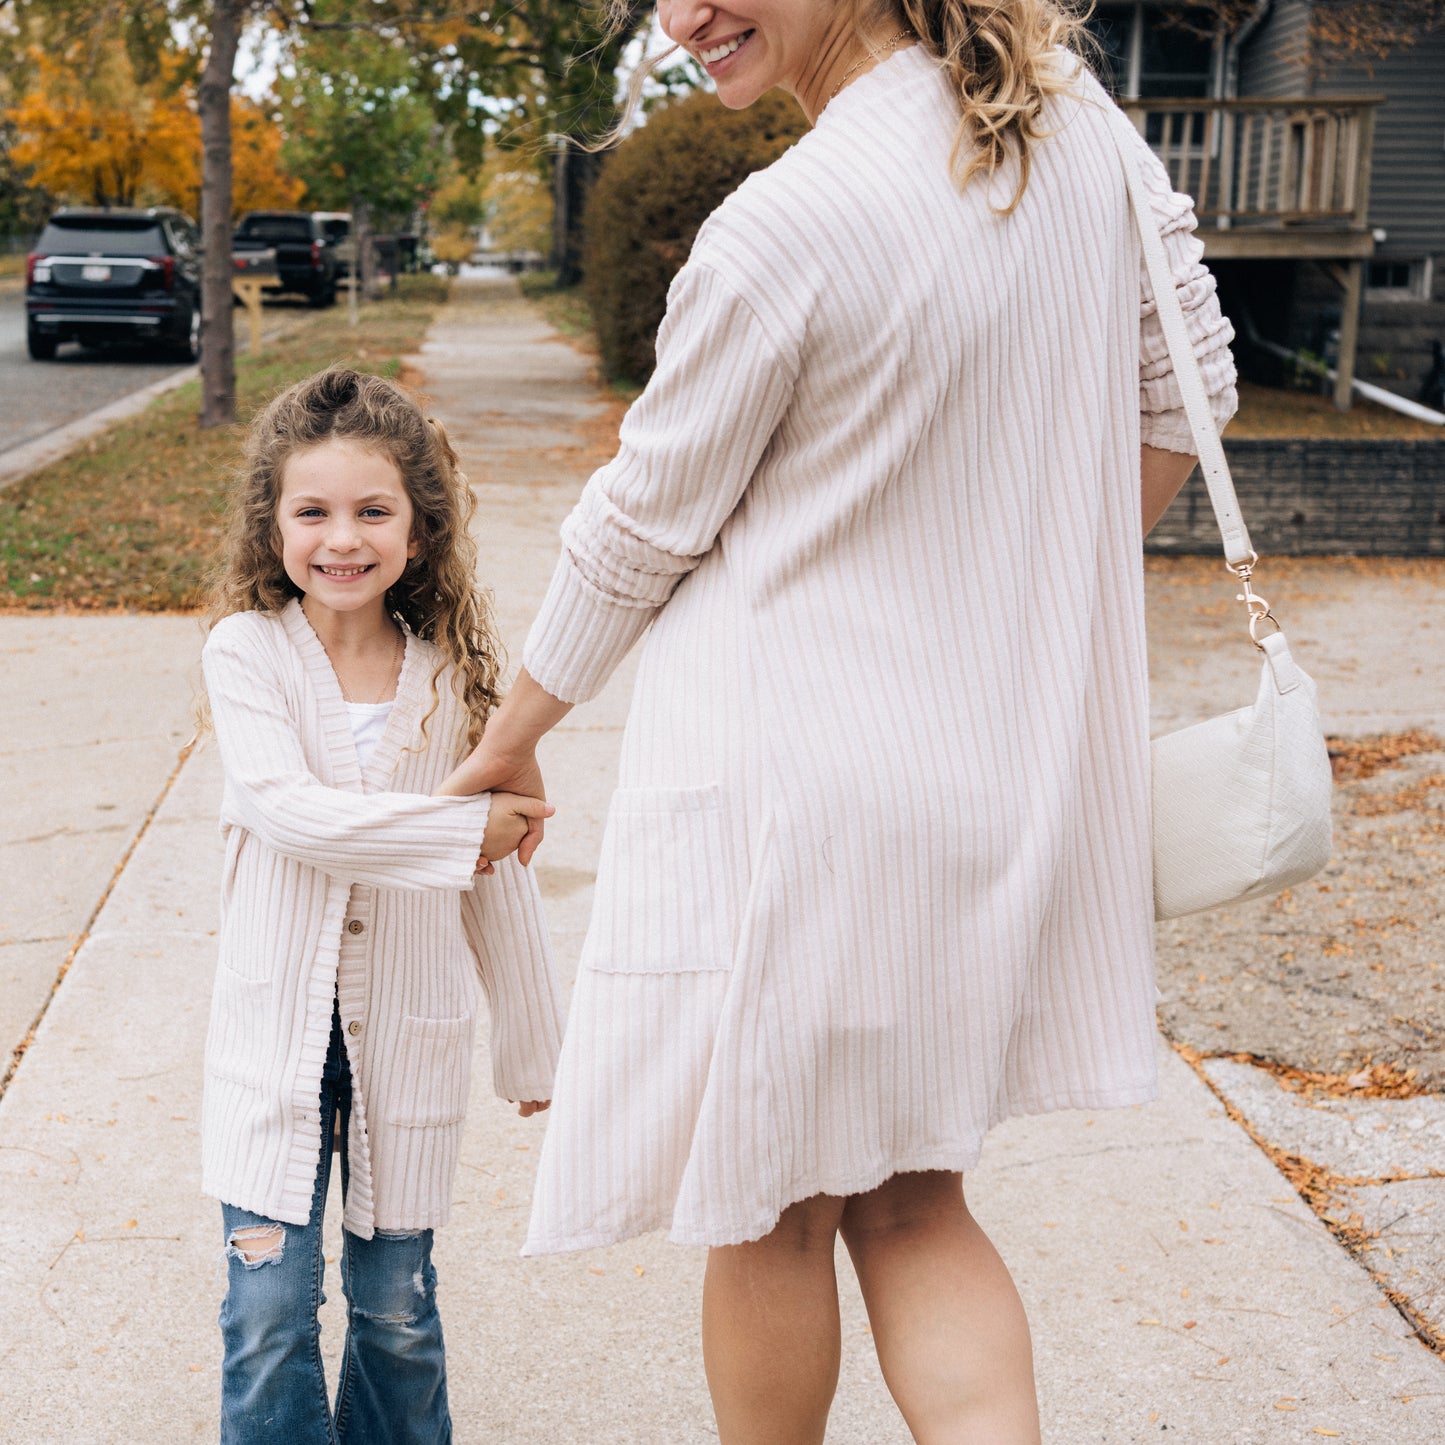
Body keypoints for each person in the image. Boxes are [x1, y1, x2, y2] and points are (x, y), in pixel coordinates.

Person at [440, 1, 1239, 1440]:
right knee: (917, 1200)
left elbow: (639, 524)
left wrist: (512, 733)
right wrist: (1024, 605)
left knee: (772, 1212)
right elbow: (1191, 391)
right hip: (991, 776)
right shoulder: (1091, 145)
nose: (683, 14)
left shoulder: (781, 224)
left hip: (802, 794)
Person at [199, 366, 565, 1444]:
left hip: (406, 1034)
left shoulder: (452, 678)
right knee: (266, 1308)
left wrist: (535, 1048)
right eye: (311, 511)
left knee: (397, 1306)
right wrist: (464, 829)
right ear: (273, 525)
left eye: (372, 510)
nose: (340, 538)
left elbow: (498, 880)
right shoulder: (248, 653)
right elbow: (292, 813)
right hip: (274, 1043)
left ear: (418, 527)